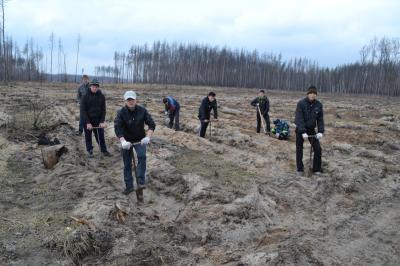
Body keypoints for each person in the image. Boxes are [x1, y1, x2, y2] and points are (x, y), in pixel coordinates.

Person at [114, 91, 156, 200]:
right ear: (125, 101)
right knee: (127, 163)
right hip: (127, 141)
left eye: (132, 99)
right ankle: (129, 186)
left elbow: (151, 124)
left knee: (142, 157)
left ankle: (140, 182)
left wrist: (148, 137)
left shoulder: (142, 111)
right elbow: (117, 128)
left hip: (139, 139)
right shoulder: (121, 112)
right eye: (128, 100)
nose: (131, 102)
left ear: (136, 100)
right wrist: (123, 141)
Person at [294, 86, 324, 174]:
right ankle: (300, 169)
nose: (313, 95)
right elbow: (299, 118)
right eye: (311, 93)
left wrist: (320, 131)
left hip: (311, 129)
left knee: (318, 148)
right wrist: (303, 131)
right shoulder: (301, 103)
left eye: (314, 93)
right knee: (299, 149)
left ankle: (316, 169)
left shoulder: (318, 105)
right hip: (300, 129)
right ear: (308, 94)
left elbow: (320, 119)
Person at [81, 78, 112, 158]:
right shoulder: (85, 97)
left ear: (98, 87)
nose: (94, 88)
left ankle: (104, 150)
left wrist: (102, 121)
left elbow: (103, 110)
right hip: (88, 120)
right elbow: (83, 111)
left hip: (98, 120)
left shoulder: (101, 97)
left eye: (96, 86)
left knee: (101, 136)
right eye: (93, 86)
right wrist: (88, 122)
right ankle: (90, 151)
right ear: (90, 86)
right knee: (88, 136)